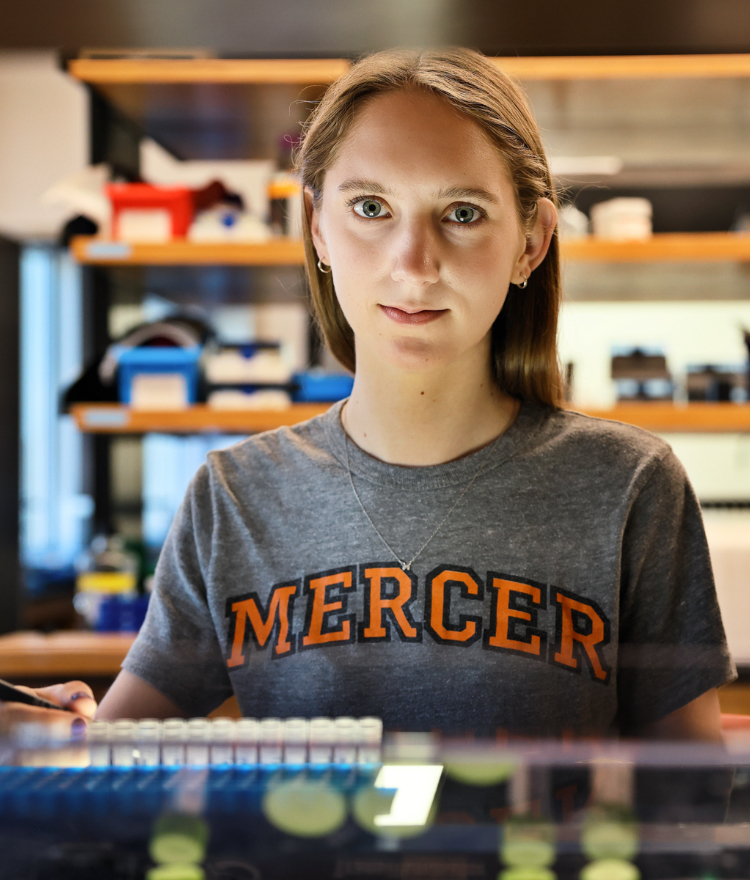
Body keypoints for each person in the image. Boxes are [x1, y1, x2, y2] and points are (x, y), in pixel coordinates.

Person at [0, 48, 734, 740]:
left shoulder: (630, 488)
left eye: (463, 213)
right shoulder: (234, 499)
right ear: (316, 226)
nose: (413, 266)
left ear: (531, 242)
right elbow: (113, 750)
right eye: (372, 209)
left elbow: (691, 801)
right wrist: (57, 731)